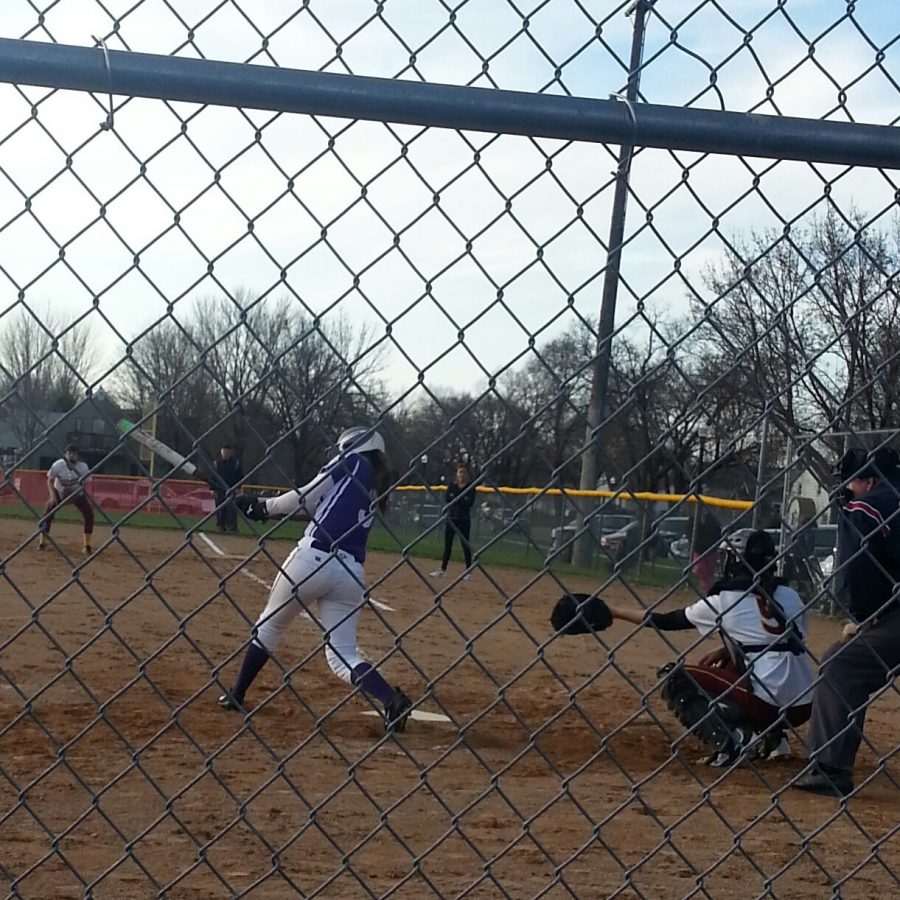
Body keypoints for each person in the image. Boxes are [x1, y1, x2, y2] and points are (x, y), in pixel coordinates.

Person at [218, 426, 412, 734]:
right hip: (350, 572)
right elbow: (315, 507)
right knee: (342, 654)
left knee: (269, 626)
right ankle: (391, 699)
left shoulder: (351, 462)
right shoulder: (373, 481)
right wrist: (262, 507)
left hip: (312, 559)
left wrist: (263, 506)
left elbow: (305, 495)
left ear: (353, 446)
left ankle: (237, 693)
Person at [583, 530, 814, 766]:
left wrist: (614, 612)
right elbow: (785, 640)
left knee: (675, 677)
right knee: (735, 662)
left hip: (766, 704)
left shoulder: (724, 600)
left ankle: (732, 742)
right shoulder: (791, 595)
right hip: (803, 705)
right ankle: (775, 740)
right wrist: (727, 649)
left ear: (736, 562)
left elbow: (665, 621)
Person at [793, 447, 900, 797]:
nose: (850, 491)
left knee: (842, 665)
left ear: (869, 480)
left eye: (852, 484)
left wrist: (863, 615)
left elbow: (858, 568)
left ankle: (829, 768)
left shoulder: (868, 505)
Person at [39, 443, 95, 556]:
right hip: (59, 492)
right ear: (65, 455)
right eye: (69, 453)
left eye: (74, 454)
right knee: (47, 513)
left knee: (89, 514)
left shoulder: (83, 467)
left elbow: (87, 482)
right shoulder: (58, 465)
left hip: (76, 493)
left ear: (77, 456)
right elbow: (50, 480)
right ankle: (42, 542)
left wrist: (80, 492)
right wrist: (52, 496)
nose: (72, 456)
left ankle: (86, 545)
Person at [431, 463, 477, 580]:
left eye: (464, 472)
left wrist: (456, 497)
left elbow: (469, 503)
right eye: (460, 472)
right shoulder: (452, 485)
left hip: (463, 520)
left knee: (465, 545)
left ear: (467, 475)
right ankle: (442, 569)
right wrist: (460, 497)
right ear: (457, 474)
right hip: (451, 518)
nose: (462, 474)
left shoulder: (471, 487)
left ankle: (468, 571)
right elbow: (448, 498)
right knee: (448, 545)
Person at [686, 505, 722, 594]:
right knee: (699, 568)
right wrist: (693, 543)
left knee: (710, 571)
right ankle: (707, 587)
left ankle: (708, 589)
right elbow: (689, 533)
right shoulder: (692, 520)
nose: (704, 511)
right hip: (698, 549)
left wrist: (714, 545)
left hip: (711, 549)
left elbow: (718, 533)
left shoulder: (712, 521)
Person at [212, 444, 244, 533]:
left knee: (232, 510)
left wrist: (238, 487)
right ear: (221, 452)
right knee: (220, 510)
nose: (225, 453)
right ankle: (220, 527)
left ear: (230, 452)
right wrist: (212, 489)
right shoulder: (216, 464)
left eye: (227, 451)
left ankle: (232, 528)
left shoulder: (236, 463)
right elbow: (212, 477)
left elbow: (240, 476)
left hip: (232, 489)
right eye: (224, 451)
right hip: (219, 490)